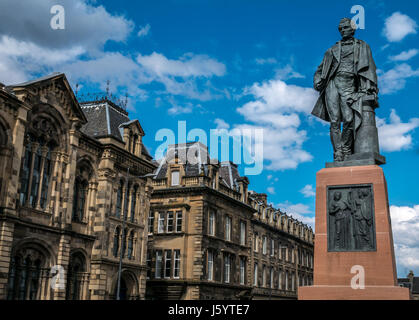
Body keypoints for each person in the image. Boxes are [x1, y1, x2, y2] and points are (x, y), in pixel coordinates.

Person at [312, 18, 379, 162]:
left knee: (349, 119)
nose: (342, 30)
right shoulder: (332, 50)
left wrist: (369, 87)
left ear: (353, 29)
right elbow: (319, 69)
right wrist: (318, 81)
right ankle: (338, 153)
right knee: (334, 121)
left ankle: (346, 148)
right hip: (333, 84)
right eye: (340, 28)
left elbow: (370, 68)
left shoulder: (361, 46)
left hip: (349, 85)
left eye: (345, 27)